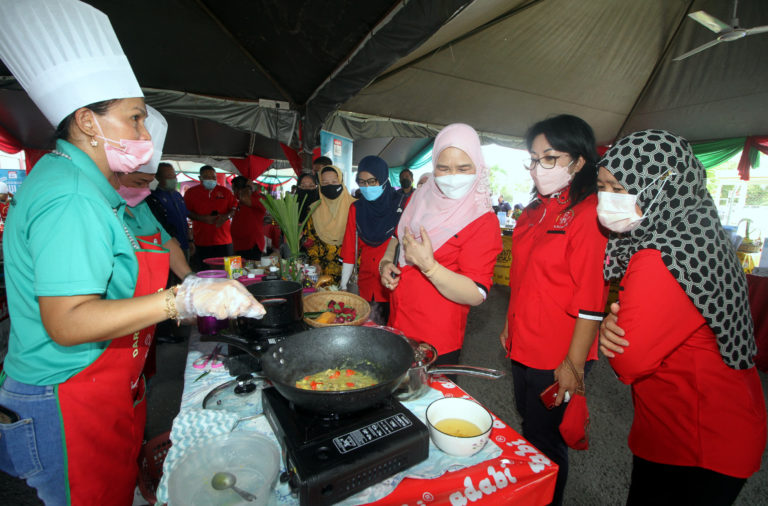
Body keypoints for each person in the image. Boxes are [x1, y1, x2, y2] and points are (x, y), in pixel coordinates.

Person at [0, 1, 265, 504]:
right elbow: (68, 320)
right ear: (86, 120)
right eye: (136, 118)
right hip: (65, 393)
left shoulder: (82, 182)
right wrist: (180, 302)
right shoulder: (71, 195)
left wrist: (185, 291)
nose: (145, 136)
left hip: (96, 384)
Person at [596, 130, 766, 506]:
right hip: (698, 419)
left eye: (621, 188)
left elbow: (629, 358)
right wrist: (619, 326)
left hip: (699, 437)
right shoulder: (695, 231)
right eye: (603, 186)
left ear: (661, 187)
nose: (607, 198)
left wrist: (614, 333)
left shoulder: (662, 256)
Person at [499, 114, 607, 506]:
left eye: (550, 157)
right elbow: (523, 279)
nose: (538, 167)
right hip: (523, 341)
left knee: (546, 438)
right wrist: (510, 326)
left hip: (559, 352)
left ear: (578, 161)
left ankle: (546, 500)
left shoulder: (587, 213)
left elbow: (593, 301)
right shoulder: (533, 211)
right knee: (530, 425)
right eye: (533, 158)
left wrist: (574, 366)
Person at [379, 123, 502, 364]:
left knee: (427, 397)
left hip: (435, 337)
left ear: (478, 167)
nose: (453, 176)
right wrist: (385, 262)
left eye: (464, 168)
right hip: (399, 316)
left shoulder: (482, 220)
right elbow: (397, 237)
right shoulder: (422, 196)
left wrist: (430, 267)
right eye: (443, 168)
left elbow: (476, 293)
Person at [341, 156, 407, 324]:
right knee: (370, 333)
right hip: (366, 284)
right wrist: (343, 286)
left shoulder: (401, 206)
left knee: (396, 334)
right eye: (362, 182)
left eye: (372, 181)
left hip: (396, 283)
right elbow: (349, 250)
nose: (367, 187)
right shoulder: (356, 209)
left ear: (384, 179)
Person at [302, 165, 355, 283]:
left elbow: (361, 242)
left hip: (352, 274)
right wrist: (315, 262)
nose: (329, 186)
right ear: (320, 185)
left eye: (334, 182)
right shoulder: (314, 209)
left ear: (341, 182)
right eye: (324, 183)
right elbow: (311, 241)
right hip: (323, 276)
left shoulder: (356, 207)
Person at [184, 164, 238, 269]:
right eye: (207, 177)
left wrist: (226, 216)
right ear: (200, 178)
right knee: (205, 272)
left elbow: (235, 208)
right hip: (202, 241)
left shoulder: (225, 192)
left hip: (224, 241)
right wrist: (202, 218)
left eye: (213, 177)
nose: (211, 179)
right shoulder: (191, 193)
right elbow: (186, 212)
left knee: (227, 272)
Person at [147, 162, 192, 261]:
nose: (173, 179)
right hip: (168, 245)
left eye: (173, 175)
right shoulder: (153, 197)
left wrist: (190, 240)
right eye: (168, 176)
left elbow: (184, 218)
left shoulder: (177, 195)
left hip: (184, 243)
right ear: (158, 178)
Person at [231, 176, 266, 260]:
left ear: (239, 190)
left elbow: (244, 198)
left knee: (250, 271)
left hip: (251, 246)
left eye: (234, 189)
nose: (234, 192)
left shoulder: (258, 198)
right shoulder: (239, 200)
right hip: (239, 245)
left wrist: (248, 186)